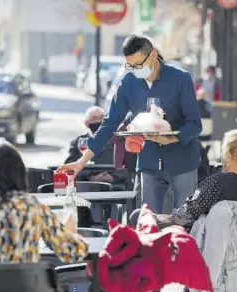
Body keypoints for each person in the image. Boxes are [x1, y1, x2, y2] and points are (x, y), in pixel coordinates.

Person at [58, 35, 202, 214]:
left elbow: (195, 125)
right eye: (130, 65)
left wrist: (171, 139)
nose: (134, 70)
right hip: (149, 162)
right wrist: (81, 161)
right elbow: (109, 124)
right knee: (148, 222)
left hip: (182, 162)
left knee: (184, 221)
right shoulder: (128, 83)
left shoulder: (181, 79)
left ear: (153, 55)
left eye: (138, 65)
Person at [130, 129, 237, 230]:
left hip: (197, 240)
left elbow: (186, 216)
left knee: (138, 216)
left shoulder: (218, 183)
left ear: (229, 154)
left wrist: (161, 218)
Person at [65, 106, 114, 183]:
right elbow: (69, 168)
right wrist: (90, 177)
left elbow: (127, 166)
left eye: (102, 117)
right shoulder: (78, 142)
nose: (98, 121)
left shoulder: (117, 140)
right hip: (86, 186)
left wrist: (113, 177)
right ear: (86, 123)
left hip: (116, 186)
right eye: (94, 118)